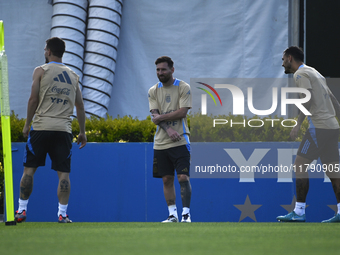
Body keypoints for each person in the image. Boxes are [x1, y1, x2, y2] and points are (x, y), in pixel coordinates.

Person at [14, 37, 87, 223]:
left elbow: (33, 100)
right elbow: (80, 106)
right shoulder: (73, 75)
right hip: (63, 130)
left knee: (29, 171)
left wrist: (26, 124)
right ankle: (62, 214)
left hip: (41, 128)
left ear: (48, 51)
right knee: (64, 174)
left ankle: (21, 210)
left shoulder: (40, 70)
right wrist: (82, 132)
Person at [277, 46, 340, 223]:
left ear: (290, 58)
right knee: (333, 171)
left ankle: (299, 211)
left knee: (299, 165)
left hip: (319, 127)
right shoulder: (315, 73)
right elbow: (333, 99)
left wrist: (297, 124)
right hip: (332, 127)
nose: (282, 64)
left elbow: (307, 98)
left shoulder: (300, 74)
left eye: (283, 60)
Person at [148, 56, 192, 223]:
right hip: (161, 142)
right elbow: (154, 116)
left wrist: (161, 118)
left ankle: (186, 214)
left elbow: (182, 112)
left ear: (172, 70)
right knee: (166, 179)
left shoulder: (183, 87)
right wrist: (168, 128)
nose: (160, 73)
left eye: (163, 69)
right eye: (158, 70)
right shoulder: (153, 90)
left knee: (183, 178)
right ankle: (172, 214)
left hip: (181, 140)